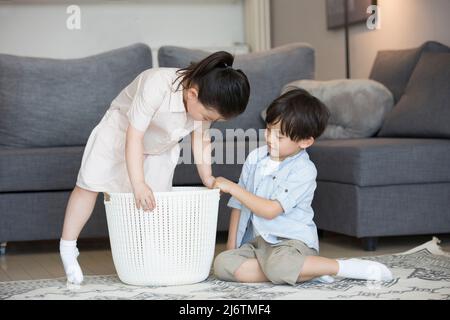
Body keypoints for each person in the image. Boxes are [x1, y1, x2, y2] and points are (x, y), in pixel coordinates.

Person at [60, 51, 250, 285]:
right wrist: (138, 183)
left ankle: (149, 259)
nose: (209, 120)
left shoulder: (205, 101)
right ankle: (68, 248)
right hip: (121, 135)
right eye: (209, 115)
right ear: (192, 94)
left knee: (153, 204)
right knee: (89, 185)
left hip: (159, 146)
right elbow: (134, 137)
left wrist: (208, 178)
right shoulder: (157, 85)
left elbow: (200, 139)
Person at [213, 89, 393, 285]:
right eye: (268, 130)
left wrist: (233, 187)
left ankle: (338, 267)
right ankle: (306, 270)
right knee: (222, 264)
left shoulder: (304, 170)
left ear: (305, 141)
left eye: (279, 136)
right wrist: (232, 247)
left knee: (279, 264)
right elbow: (239, 205)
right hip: (258, 244)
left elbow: (270, 210)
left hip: (291, 244)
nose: (270, 139)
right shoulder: (255, 158)